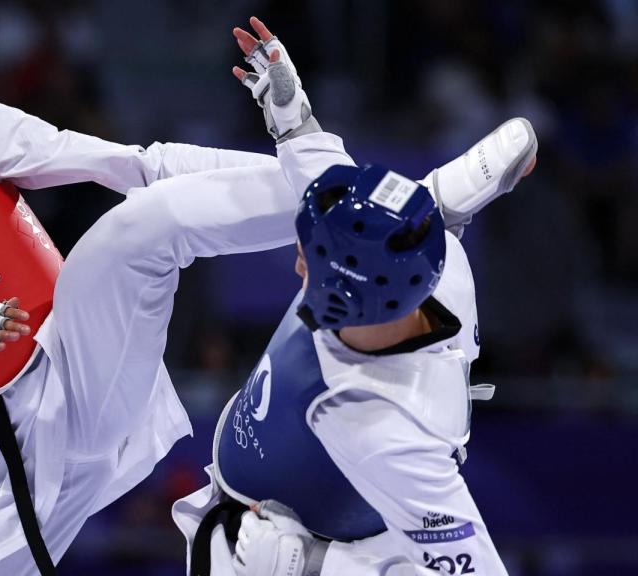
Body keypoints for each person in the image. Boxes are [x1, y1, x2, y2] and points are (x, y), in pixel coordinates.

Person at [0, 3, 528, 575]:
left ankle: (395, 208)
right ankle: (390, 211)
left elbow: (134, 165)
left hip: (81, 363)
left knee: (141, 225)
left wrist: (298, 139)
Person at [171, 18, 537, 576]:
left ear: (349, 296)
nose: (296, 258)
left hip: (314, 548)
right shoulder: (425, 255)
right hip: (238, 492)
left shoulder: (388, 434)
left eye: (308, 254)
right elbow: (353, 188)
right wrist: (290, 114)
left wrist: (318, 564)